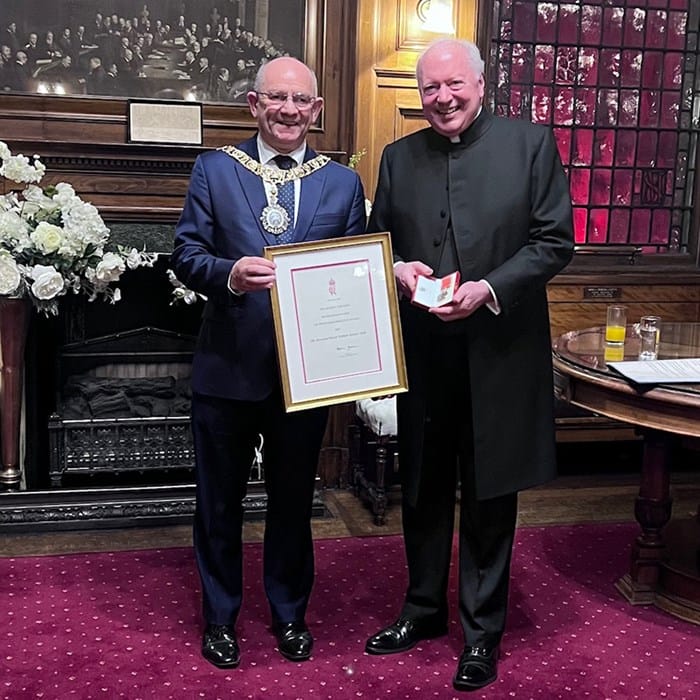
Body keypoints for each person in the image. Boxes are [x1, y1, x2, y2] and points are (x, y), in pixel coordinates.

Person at [364, 38, 574, 692]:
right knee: (422, 489)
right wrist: (396, 269)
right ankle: (422, 610)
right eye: (430, 89)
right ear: (419, 93)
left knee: (490, 496)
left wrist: (488, 289)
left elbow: (554, 242)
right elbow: (379, 243)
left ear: (482, 85)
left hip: (498, 352)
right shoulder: (398, 158)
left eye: (454, 85)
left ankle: (482, 633)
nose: (443, 98)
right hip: (425, 356)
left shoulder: (530, 145)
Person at [171, 56, 366, 669]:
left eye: (300, 101)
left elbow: (353, 271)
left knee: (292, 503)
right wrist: (228, 273)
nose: (288, 111)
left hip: (306, 374)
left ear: (316, 111)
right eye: (276, 99)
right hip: (227, 369)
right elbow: (185, 253)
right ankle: (220, 617)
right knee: (219, 503)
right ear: (254, 105)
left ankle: (289, 613)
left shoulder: (341, 184)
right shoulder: (214, 169)